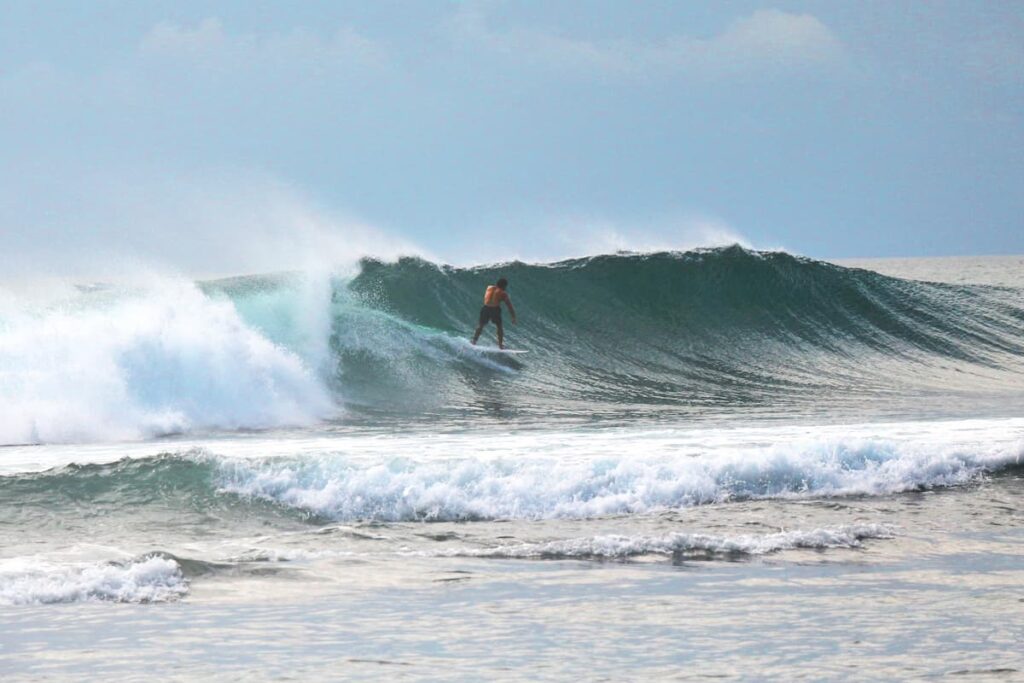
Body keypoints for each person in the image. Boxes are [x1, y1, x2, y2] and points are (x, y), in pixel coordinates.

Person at [471, 277, 517, 349]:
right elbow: (509, 306)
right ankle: (500, 345)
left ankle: (474, 341)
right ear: (504, 286)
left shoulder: (489, 287)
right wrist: (513, 317)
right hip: (495, 310)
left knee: (480, 325)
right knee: (499, 327)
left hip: (485, 308)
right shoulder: (503, 293)